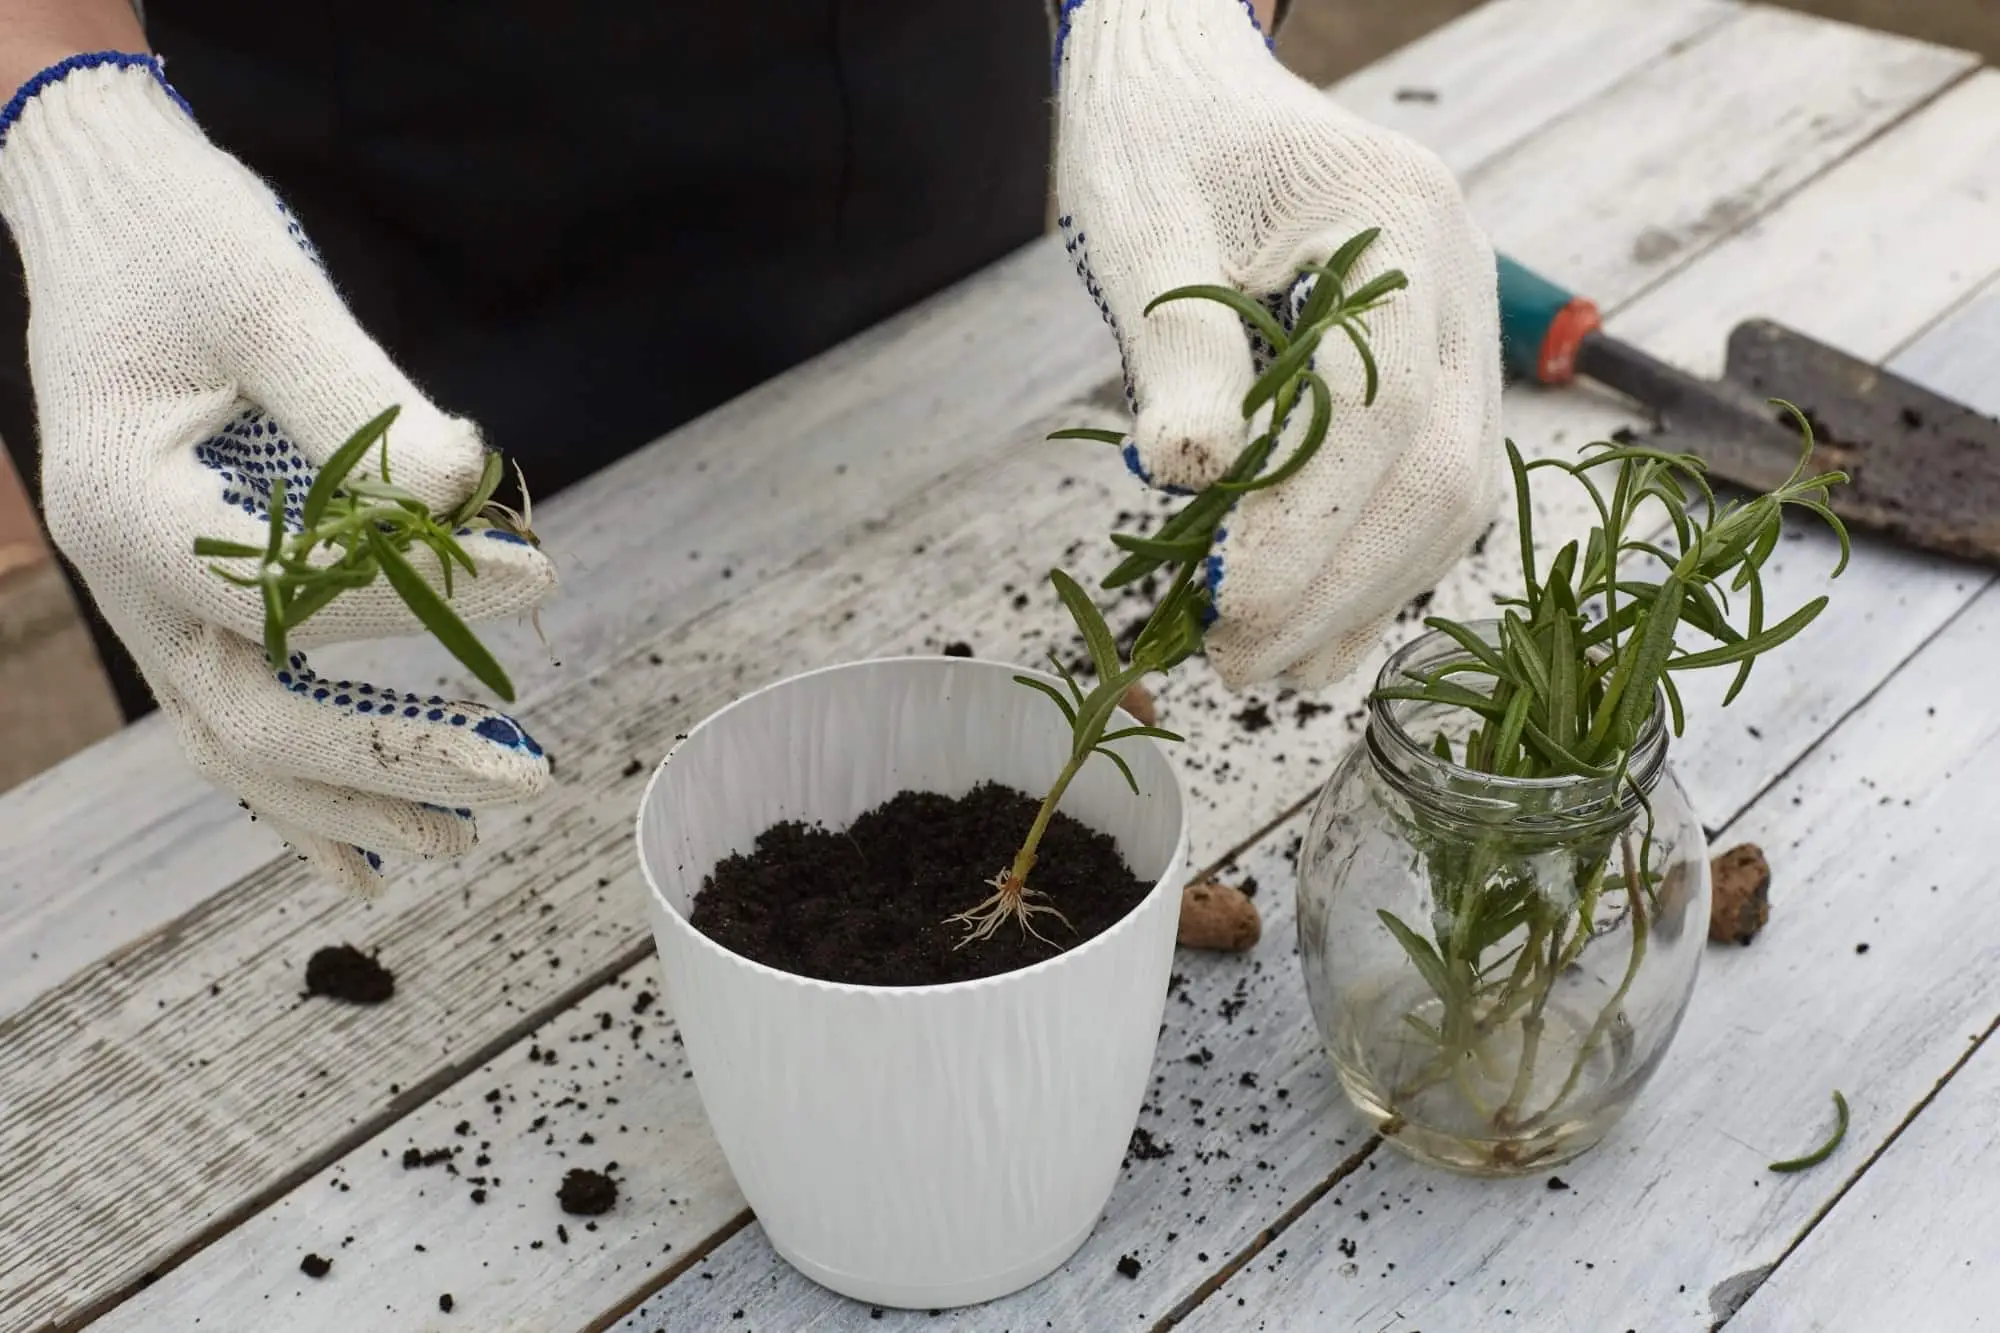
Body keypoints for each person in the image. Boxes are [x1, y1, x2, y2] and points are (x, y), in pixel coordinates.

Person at [0, 0, 1502, 893]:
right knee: (287, 826)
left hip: (870, 119)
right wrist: (60, 103)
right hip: (272, 222)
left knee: (940, 613)